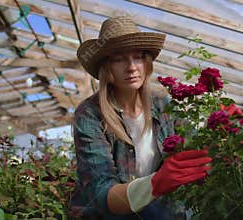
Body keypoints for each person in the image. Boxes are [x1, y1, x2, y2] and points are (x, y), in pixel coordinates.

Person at [69, 16, 212, 219]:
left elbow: (196, 148)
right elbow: (102, 193)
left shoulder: (164, 106)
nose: (132, 67)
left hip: (157, 207)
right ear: (106, 67)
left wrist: (223, 128)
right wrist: (156, 183)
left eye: (138, 57)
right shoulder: (90, 114)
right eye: (119, 59)